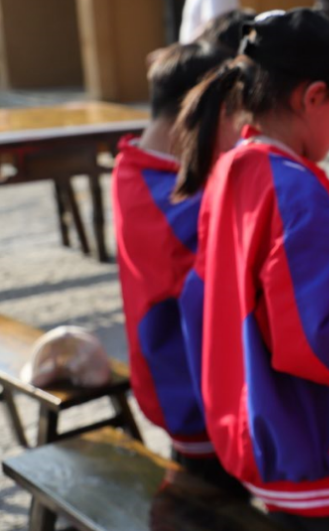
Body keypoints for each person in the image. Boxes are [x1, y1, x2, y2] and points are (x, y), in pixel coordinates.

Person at [173, 9, 329, 530]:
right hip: (328, 466)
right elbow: (320, 343)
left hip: (279, 441)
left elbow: (260, 283)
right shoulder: (296, 189)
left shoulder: (235, 167)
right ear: (312, 97)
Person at [112, 40, 243, 489]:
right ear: (199, 114)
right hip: (194, 398)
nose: (237, 134)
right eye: (232, 118)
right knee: (211, 505)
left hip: (182, 386)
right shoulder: (168, 200)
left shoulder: (138, 167)